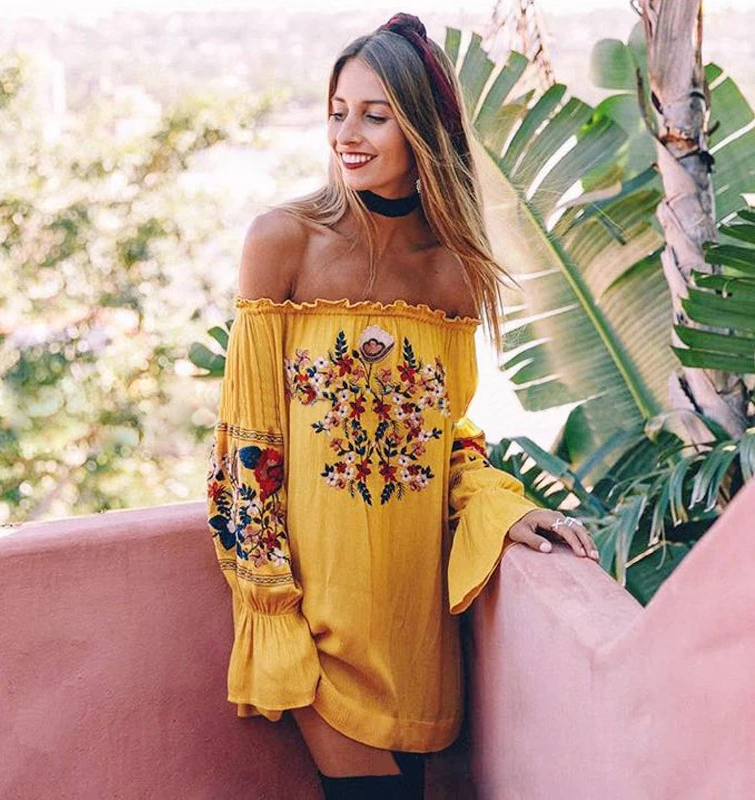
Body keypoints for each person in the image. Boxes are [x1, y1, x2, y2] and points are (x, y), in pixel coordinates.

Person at [206, 12, 598, 799]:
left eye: (374, 116)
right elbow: (246, 447)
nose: (346, 135)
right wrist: (270, 609)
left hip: (413, 636)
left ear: (422, 127)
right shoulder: (284, 241)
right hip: (314, 622)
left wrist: (506, 511)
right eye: (338, 112)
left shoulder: (454, 272)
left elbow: (447, 438)